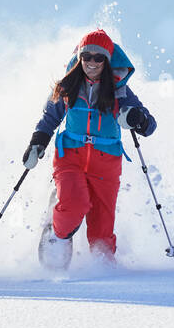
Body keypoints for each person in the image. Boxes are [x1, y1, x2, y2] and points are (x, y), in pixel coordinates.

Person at [23, 29, 157, 267]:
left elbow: (149, 126)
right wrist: (38, 141)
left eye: (98, 57)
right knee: (74, 204)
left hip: (107, 160)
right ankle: (56, 234)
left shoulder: (120, 91)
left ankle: (101, 273)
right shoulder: (68, 87)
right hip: (70, 155)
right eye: (87, 57)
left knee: (102, 233)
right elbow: (50, 118)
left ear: (107, 61)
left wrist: (137, 118)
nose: (92, 62)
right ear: (79, 58)